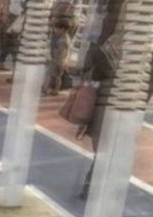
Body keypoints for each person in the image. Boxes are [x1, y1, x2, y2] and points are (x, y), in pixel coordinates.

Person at [77, 0, 125, 199]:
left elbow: (90, 69)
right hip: (123, 102)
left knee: (104, 147)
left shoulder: (106, 44)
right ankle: (96, 184)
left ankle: (92, 184)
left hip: (102, 100)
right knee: (112, 146)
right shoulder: (140, 47)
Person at [42, 21, 71, 96]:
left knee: (54, 75)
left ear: (62, 29)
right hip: (57, 60)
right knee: (54, 75)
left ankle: (51, 89)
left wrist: (60, 61)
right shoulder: (61, 37)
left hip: (59, 60)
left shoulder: (63, 40)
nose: (55, 30)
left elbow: (63, 52)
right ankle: (51, 89)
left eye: (57, 29)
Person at [0, 0, 24, 71]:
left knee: (9, 42)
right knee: (12, 43)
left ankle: (1, 62)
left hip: (16, 16)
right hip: (14, 16)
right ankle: (14, 67)